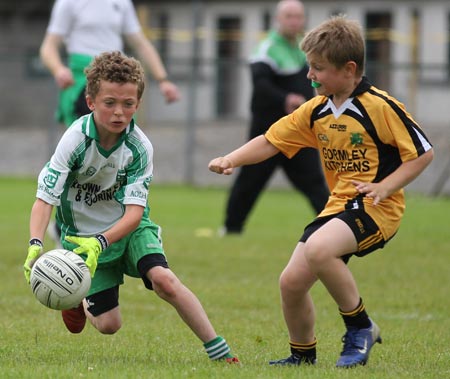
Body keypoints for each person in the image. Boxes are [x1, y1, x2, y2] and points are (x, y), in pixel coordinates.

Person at [209, 16, 433, 368]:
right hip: (339, 207)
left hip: (378, 209)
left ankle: (360, 327)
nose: (310, 75)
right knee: (291, 283)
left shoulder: (380, 106)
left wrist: (385, 187)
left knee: (318, 249)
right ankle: (302, 355)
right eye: (309, 67)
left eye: (318, 68)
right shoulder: (317, 110)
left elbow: (422, 153)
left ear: (349, 69)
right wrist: (230, 159)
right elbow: (270, 141)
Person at [24, 51, 238, 364]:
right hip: (82, 238)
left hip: (130, 229)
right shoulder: (74, 141)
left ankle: (220, 352)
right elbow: (45, 198)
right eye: (109, 102)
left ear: (137, 103)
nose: (119, 112)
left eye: (128, 104)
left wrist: (103, 241)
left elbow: (135, 213)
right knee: (110, 326)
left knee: (164, 280)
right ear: (91, 101)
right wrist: (35, 243)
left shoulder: (139, 147)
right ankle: (77, 297)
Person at [221, 0, 329, 235]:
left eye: (299, 16)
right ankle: (231, 229)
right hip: (267, 131)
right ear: (278, 19)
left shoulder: (304, 49)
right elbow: (260, 85)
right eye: (289, 16)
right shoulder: (266, 48)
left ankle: (333, 227)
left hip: (298, 130)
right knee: (249, 182)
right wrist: (285, 99)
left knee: (315, 182)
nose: (294, 21)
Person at [40, 0, 180, 128]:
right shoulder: (68, 3)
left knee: (122, 138)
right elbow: (48, 47)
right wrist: (58, 70)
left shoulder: (122, 3)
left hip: (117, 76)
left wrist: (163, 80)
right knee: (89, 135)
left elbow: (141, 44)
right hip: (83, 79)